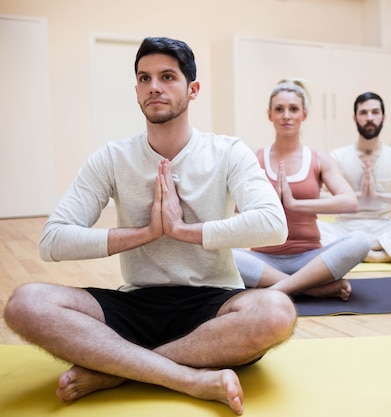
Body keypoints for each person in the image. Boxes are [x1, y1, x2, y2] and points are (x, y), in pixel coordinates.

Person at [3, 37, 297, 415]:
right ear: (137, 90)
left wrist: (183, 230)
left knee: (276, 311)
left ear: (193, 89)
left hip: (214, 305)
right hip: (137, 301)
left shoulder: (227, 152)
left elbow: (274, 225)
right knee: (26, 303)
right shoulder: (112, 157)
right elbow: (53, 240)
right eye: (144, 78)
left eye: (167, 76)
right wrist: (145, 234)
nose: (154, 86)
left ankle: (118, 370)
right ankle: (187, 377)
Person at [233, 80, 370, 301]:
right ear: (270, 115)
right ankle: (311, 288)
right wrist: (268, 204)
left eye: (293, 109)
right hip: (264, 260)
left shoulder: (318, 159)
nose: (286, 115)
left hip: (311, 260)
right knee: (221, 255)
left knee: (361, 240)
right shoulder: (254, 158)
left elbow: (349, 201)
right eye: (279, 109)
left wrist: (295, 205)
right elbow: (236, 205)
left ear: (303, 115)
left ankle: (279, 288)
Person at [318, 92, 391, 264]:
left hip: (385, 226)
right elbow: (317, 198)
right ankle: (375, 254)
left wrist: (378, 195)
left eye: (375, 112)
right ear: (355, 117)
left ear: (383, 117)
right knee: (308, 227)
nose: (370, 118)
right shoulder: (338, 155)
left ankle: (362, 248)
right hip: (346, 227)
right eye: (363, 113)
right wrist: (356, 196)